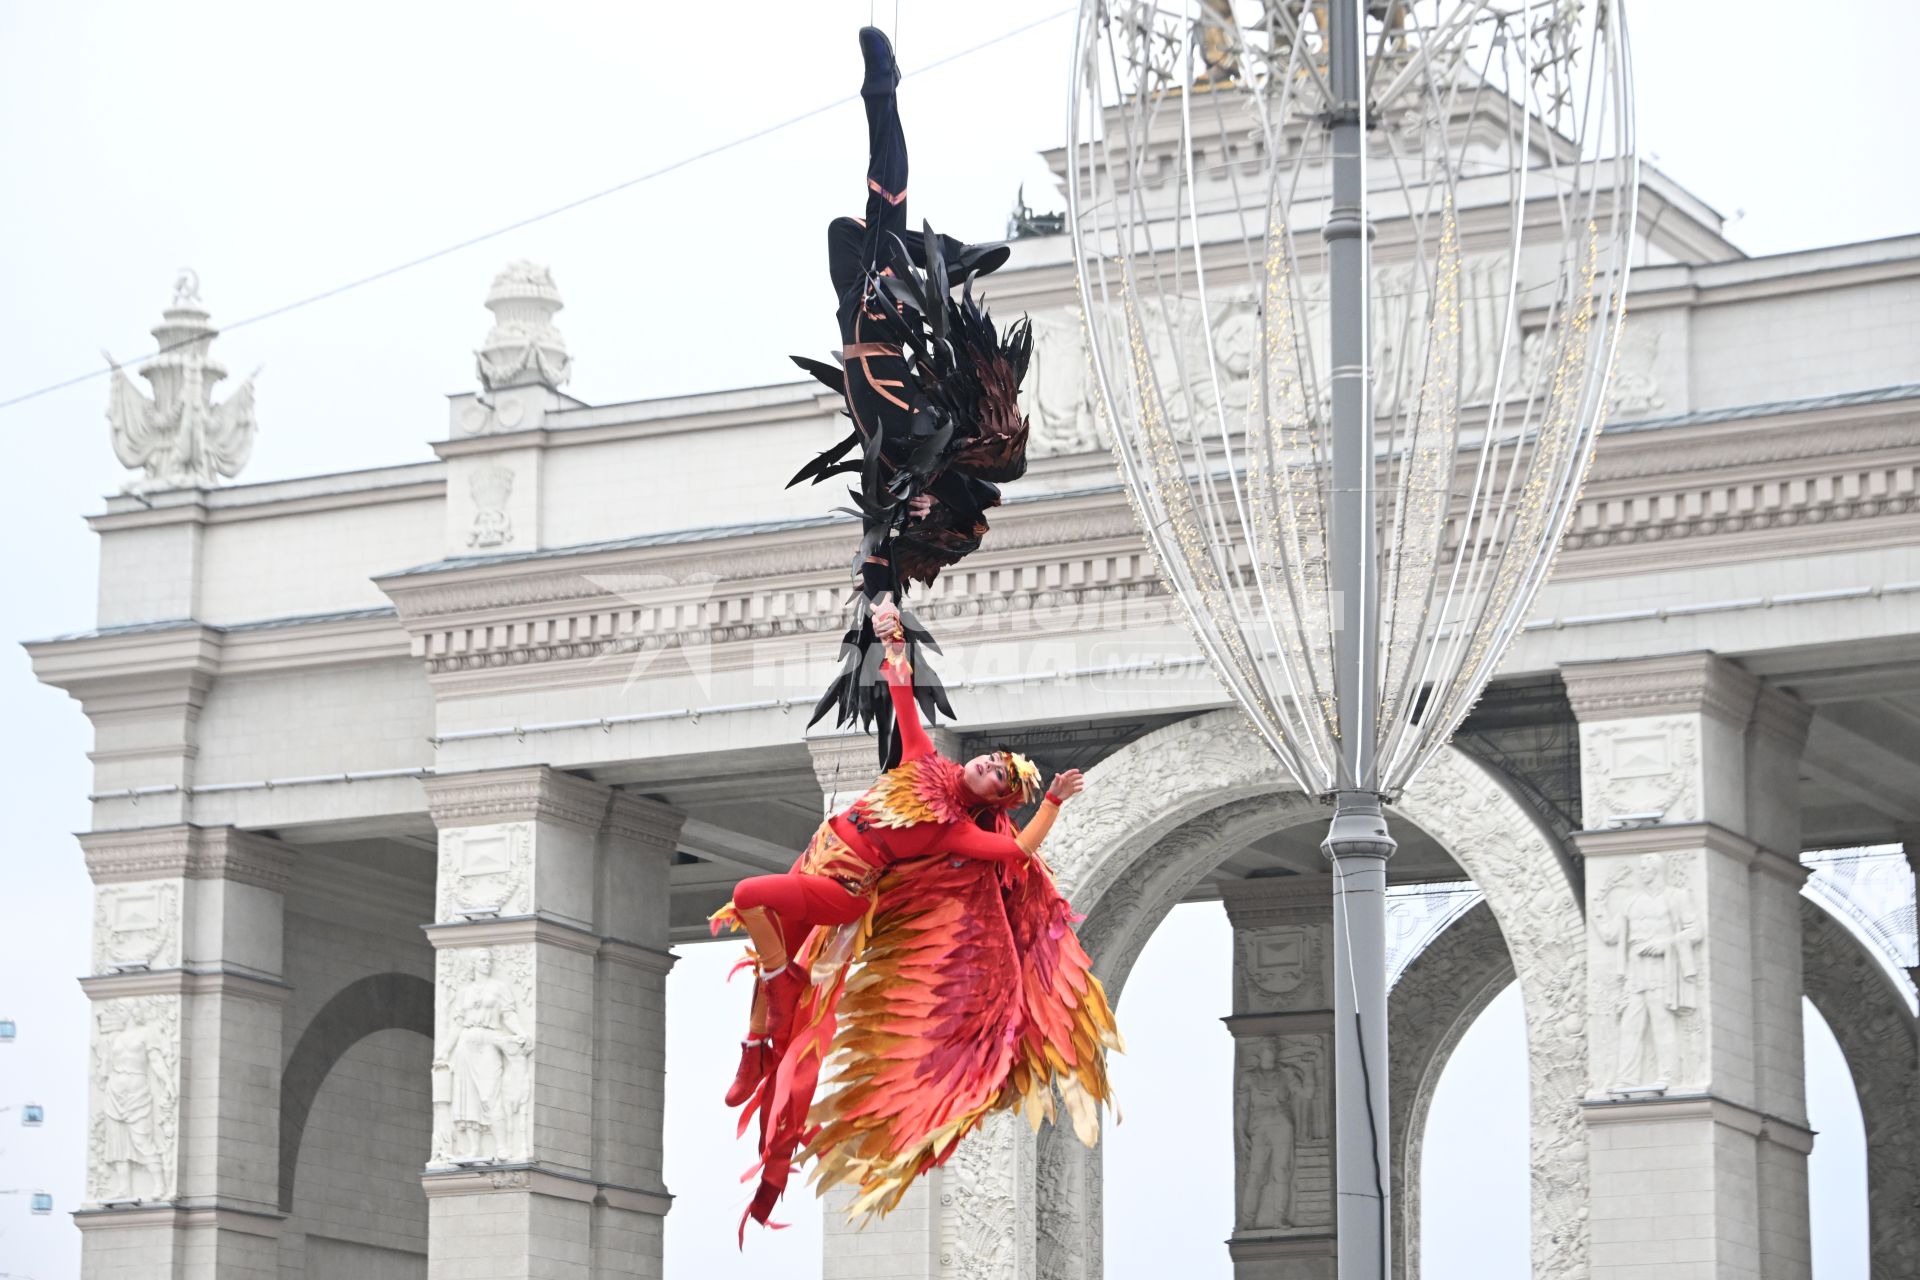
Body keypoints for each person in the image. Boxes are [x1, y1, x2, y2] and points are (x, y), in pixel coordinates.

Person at [711, 596, 1115, 1235]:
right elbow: (901, 690)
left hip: (843, 891)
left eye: (1000, 775)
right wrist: (889, 630)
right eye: (994, 758)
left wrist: (1053, 804)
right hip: (816, 859)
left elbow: (1012, 849)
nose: (990, 763)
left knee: (747, 897)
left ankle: (774, 1016)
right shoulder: (925, 762)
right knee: (775, 970)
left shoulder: (957, 833)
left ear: (997, 798)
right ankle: (757, 1045)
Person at [790, 26, 1031, 762]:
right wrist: (882, 90)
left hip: (868, 326)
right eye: (933, 507)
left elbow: (878, 550)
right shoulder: (921, 436)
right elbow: (983, 469)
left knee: (858, 228)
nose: (921, 506)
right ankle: (943, 247)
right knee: (885, 212)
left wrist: (882, 617)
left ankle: (949, 257)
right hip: (888, 325)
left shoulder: (891, 468)